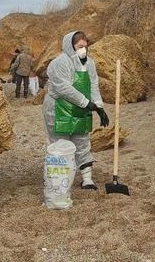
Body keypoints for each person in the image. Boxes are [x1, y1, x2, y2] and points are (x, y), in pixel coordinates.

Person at [43, 31, 110, 189]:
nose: (84, 50)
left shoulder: (89, 64)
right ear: (70, 46)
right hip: (59, 108)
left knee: (82, 141)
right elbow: (64, 89)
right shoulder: (59, 63)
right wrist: (88, 104)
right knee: (60, 142)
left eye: (86, 47)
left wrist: (99, 107)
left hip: (81, 108)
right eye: (80, 46)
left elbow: (93, 84)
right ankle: (60, 179)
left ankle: (87, 179)